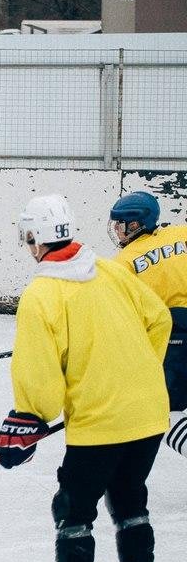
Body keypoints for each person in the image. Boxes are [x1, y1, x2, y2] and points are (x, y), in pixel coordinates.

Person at [0, 194, 169, 562]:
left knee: (73, 507)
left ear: (33, 238)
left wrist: (30, 418)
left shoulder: (42, 294)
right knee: (130, 498)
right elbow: (159, 319)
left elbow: (40, 378)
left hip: (101, 423)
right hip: (150, 412)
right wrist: (138, 376)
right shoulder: (110, 269)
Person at [109, 190, 187, 458]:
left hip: (175, 338)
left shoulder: (124, 262)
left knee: (167, 412)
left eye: (120, 224)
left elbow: (120, 315)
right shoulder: (181, 234)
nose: (117, 230)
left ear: (135, 224)